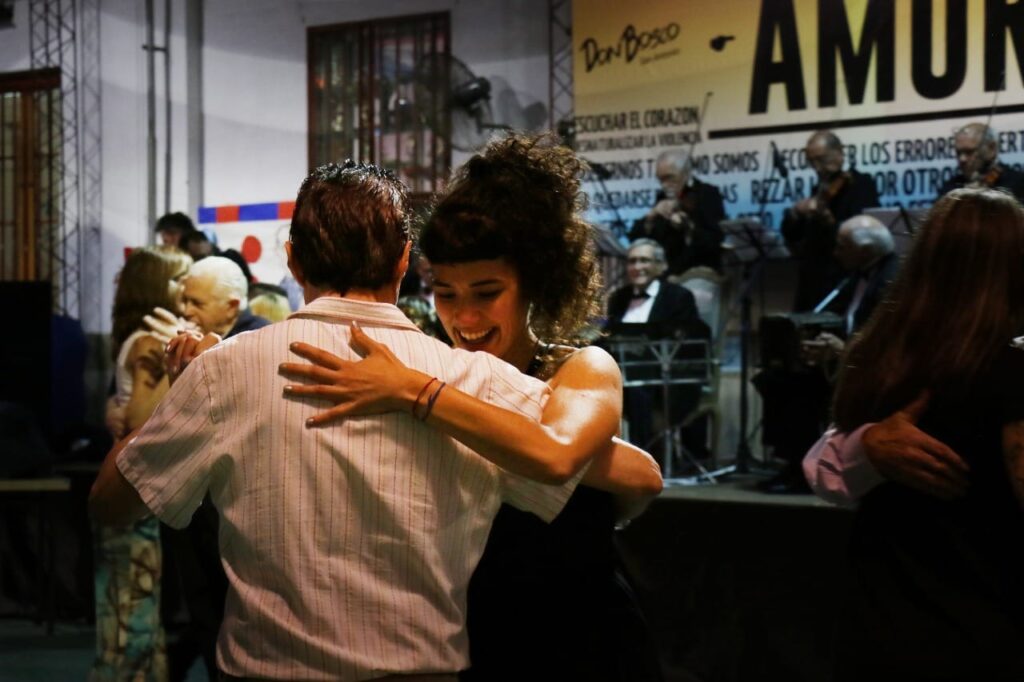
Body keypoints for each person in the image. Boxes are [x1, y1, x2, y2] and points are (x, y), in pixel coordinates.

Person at [89, 160, 607, 680]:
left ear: (292, 261)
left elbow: (110, 504)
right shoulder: (478, 380)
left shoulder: (223, 371)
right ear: (405, 259)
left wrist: (177, 401)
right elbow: (622, 475)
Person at [281, 134, 665, 681]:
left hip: (581, 636)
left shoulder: (580, 367)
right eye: (446, 292)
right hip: (474, 633)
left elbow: (563, 457)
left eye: (486, 292)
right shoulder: (425, 366)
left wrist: (413, 393)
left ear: (535, 284)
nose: (464, 317)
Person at [816, 188, 1024, 679]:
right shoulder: (1011, 372)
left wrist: (863, 446)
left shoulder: (879, 359)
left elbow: (822, 468)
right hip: (987, 630)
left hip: (883, 627)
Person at [94, 245, 192, 681]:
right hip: (137, 504)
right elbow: (143, 429)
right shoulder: (152, 343)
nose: (187, 287)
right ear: (159, 286)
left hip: (135, 500)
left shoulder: (138, 338)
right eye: (180, 278)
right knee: (131, 626)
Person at [606, 238, 709, 462]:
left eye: (644, 260)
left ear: (660, 266)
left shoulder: (678, 297)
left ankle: (644, 460)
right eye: (632, 261)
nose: (637, 267)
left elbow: (686, 341)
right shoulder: (619, 297)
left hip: (667, 375)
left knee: (637, 391)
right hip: (621, 373)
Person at [781, 130, 880, 312]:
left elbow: (862, 236)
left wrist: (829, 221)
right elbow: (792, 234)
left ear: (839, 154)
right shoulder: (818, 189)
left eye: (822, 159)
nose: (817, 167)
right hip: (812, 277)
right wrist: (795, 212)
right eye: (812, 162)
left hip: (842, 278)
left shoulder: (861, 185)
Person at [628, 149, 726, 274]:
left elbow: (714, 240)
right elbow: (637, 238)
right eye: (660, 180)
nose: (664, 185)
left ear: (686, 173)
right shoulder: (662, 197)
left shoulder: (707, 193)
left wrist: (687, 226)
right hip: (667, 271)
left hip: (699, 270)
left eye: (669, 177)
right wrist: (651, 216)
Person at [181, 255, 268, 338]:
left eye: (197, 304)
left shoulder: (257, 341)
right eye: (184, 300)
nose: (186, 312)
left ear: (231, 307)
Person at [937, 122, 1024, 201]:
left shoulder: (1018, 183)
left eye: (969, 152)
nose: (962, 159)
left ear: (992, 149)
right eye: (958, 153)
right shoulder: (950, 188)